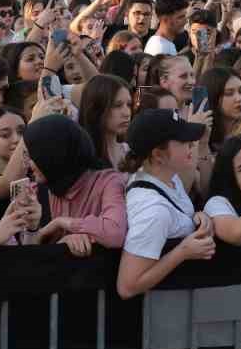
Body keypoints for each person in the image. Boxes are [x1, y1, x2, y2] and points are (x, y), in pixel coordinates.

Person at [117, 108, 216, 299]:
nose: (191, 144)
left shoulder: (168, 178)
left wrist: (196, 217)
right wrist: (182, 252)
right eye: (182, 141)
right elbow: (127, 286)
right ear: (158, 155)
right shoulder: (154, 211)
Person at [23, 115, 128, 249]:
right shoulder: (38, 189)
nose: (28, 163)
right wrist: (40, 232)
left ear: (54, 154)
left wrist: (64, 223)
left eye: (33, 156)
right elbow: (27, 253)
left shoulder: (108, 182)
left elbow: (115, 234)